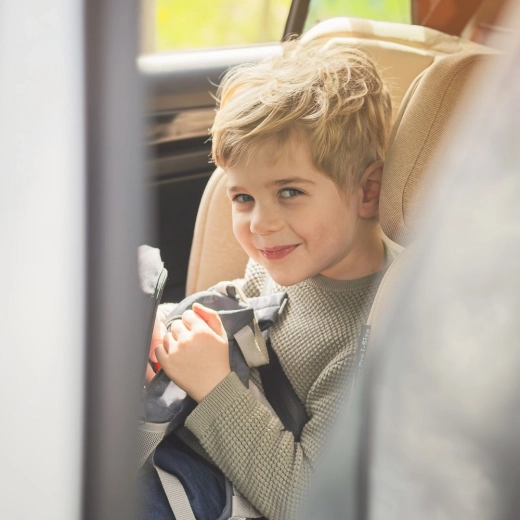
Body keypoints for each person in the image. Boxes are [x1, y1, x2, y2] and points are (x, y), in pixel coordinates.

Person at [147, 38, 398, 520]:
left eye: (289, 192)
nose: (260, 224)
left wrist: (214, 385)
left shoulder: (370, 339)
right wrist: (162, 330)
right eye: (243, 198)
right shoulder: (291, 258)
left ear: (368, 191)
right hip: (196, 450)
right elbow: (245, 307)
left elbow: (309, 502)